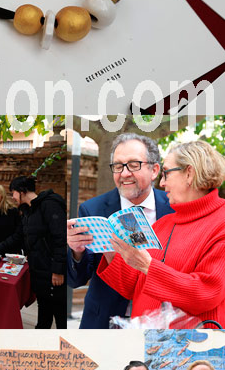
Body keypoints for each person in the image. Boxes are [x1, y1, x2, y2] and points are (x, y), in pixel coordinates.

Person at [96, 140, 225, 327]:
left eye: (166, 173)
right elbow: (133, 287)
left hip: (192, 349)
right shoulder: (164, 224)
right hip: (147, 345)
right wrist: (109, 248)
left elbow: (206, 293)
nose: (162, 183)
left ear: (189, 173)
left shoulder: (220, 223)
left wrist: (148, 266)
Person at [67, 132, 171, 328]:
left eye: (133, 165)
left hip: (160, 323)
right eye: (118, 166)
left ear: (154, 170)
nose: (124, 173)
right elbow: (76, 279)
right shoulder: (92, 209)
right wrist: (76, 252)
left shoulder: (173, 207)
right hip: (104, 322)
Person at [0, 174, 67, 328]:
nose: (13, 197)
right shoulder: (28, 211)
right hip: (38, 269)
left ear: (21, 191)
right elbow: (17, 236)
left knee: (60, 315)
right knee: (44, 311)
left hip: (53, 272)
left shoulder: (49, 205)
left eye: (13, 193)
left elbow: (60, 238)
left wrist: (58, 270)